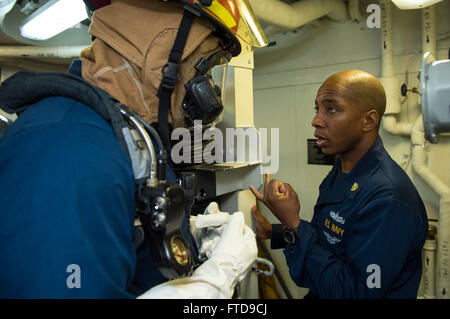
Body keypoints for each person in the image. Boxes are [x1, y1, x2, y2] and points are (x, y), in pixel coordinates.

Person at [0, 0, 267, 298]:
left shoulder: (125, 132)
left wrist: (181, 234)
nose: (207, 91)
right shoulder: (67, 148)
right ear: (159, 58)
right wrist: (215, 281)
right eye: (204, 67)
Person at [249, 69, 428, 299]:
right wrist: (276, 231)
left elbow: (356, 293)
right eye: (318, 108)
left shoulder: (389, 198)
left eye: (332, 108)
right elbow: (332, 242)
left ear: (368, 120)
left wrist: (292, 223)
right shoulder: (344, 170)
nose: (316, 120)